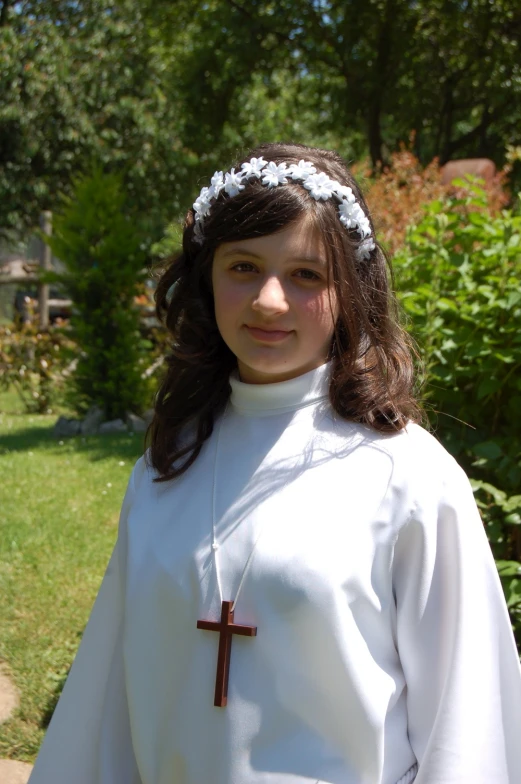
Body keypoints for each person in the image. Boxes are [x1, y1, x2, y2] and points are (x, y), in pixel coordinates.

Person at [29, 142, 521, 784]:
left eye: (305, 275)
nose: (268, 300)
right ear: (208, 277)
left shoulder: (407, 477)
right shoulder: (165, 469)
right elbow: (109, 700)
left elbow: (467, 720)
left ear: (350, 292)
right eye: (243, 266)